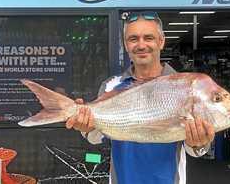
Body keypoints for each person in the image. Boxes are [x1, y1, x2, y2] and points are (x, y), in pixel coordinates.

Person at [66, 11, 215, 184]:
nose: (141, 45)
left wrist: (199, 142)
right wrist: (85, 127)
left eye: (149, 38)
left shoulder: (182, 87)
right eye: (133, 39)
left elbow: (195, 150)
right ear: (126, 45)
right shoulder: (111, 86)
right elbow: (96, 138)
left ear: (161, 41)